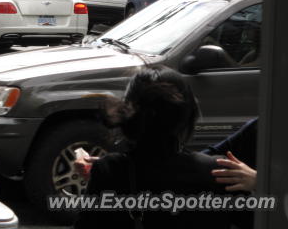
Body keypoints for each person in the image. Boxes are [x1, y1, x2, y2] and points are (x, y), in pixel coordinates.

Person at [75, 68, 235, 229]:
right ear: (187, 115)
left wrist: (106, 175)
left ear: (131, 117)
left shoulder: (110, 170)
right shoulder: (219, 172)